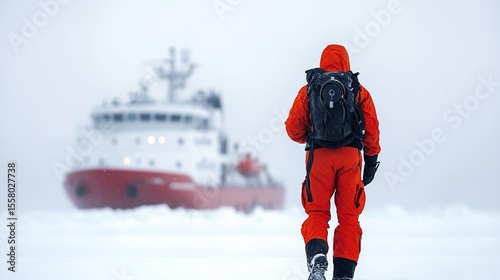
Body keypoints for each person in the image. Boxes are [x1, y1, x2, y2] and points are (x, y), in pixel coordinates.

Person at [285, 44, 381, 280]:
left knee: (317, 213)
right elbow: (372, 128)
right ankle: (344, 274)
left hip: (319, 157)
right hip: (350, 158)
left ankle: (317, 258)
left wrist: (312, 132)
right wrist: (371, 160)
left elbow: (292, 130)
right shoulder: (358, 90)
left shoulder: (310, 89)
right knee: (349, 218)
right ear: (346, 62)